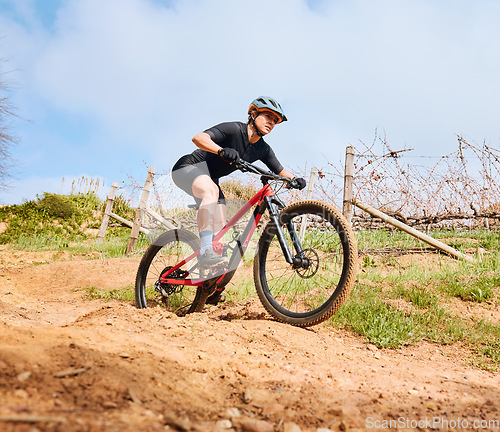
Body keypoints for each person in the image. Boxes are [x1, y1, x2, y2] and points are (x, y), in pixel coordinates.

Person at [172, 96, 306, 267]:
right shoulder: (234, 129)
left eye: (275, 121)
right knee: (211, 192)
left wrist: (294, 179)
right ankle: (205, 251)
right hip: (188, 167)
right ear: (253, 114)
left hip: (211, 179)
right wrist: (221, 150)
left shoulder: (263, 149)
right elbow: (199, 138)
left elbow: (280, 171)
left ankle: (210, 282)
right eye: (268, 116)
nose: (271, 123)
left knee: (220, 228)